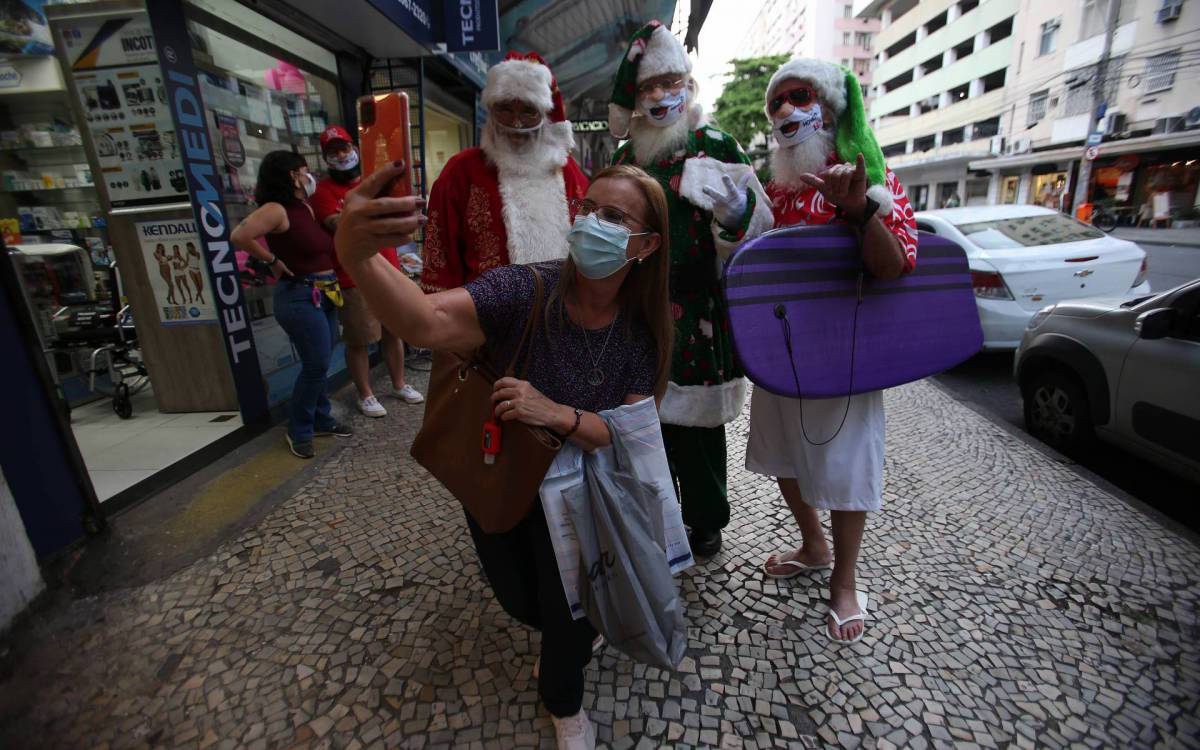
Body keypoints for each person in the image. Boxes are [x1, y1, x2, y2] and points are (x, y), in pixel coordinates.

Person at [336, 163, 672, 750]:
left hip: (581, 496)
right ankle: (568, 635)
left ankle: (563, 700)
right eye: (588, 208)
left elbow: (624, 433)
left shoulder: (641, 332)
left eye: (613, 217)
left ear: (645, 245)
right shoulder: (526, 289)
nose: (593, 223)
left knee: (567, 611)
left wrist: (554, 412)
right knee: (523, 600)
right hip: (500, 477)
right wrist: (357, 252)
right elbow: (426, 320)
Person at [751, 59, 918, 644]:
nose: (788, 111)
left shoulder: (871, 176)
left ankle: (845, 582)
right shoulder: (773, 186)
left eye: (801, 97)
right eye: (778, 103)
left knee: (848, 471)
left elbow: (895, 266)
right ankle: (813, 544)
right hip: (779, 355)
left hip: (848, 357)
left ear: (829, 107)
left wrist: (859, 211)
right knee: (783, 459)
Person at [607, 20, 774, 557]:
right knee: (642, 420)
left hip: (699, 307)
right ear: (635, 100)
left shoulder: (718, 143)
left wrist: (732, 210)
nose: (661, 96)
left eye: (670, 83)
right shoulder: (626, 158)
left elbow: (761, 227)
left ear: (688, 85)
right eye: (649, 88)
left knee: (699, 431)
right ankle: (656, 513)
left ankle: (705, 519)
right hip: (637, 307)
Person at [420, 52, 588, 294]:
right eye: (505, 109)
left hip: (560, 315)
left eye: (528, 111)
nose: (516, 123)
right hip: (484, 321)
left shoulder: (567, 171)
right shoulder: (461, 172)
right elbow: (441, 257)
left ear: (544, 114)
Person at [230, 150, 353, 459]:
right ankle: (298, 429)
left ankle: (321, 418)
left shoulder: (304, 208)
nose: (308, 174)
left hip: (324, 293)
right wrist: (271, 260)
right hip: (300, 295)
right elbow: (240, 235)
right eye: (303, 169)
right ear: (291, 175)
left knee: (321, 362)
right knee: (315, 365)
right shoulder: (276, 209)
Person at [312, 125, 423, 418]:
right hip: (353, 275)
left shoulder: (375, 182)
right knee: (359, 339)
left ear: (355, 149)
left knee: (394, 332)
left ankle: (399, 384)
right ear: (325, 158)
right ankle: (365, 393)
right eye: (333, 151)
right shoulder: (324, 192)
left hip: (390, 269)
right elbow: (337, 226)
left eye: (345, 148)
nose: (341, 155)